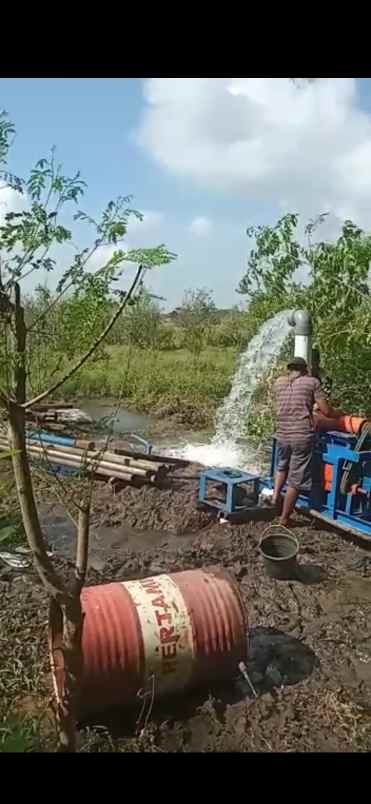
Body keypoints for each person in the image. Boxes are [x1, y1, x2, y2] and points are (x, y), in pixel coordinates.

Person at [272, 356, 332, 526]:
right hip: (301, 436)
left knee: (282, 465)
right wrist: (337, 414)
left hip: (282, 433)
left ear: (289, 369)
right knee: (296, 479)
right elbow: (326, 410)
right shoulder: (312, 382)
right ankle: (284, 519)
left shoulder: (279, 382)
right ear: (305, 369)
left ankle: (275, 496)